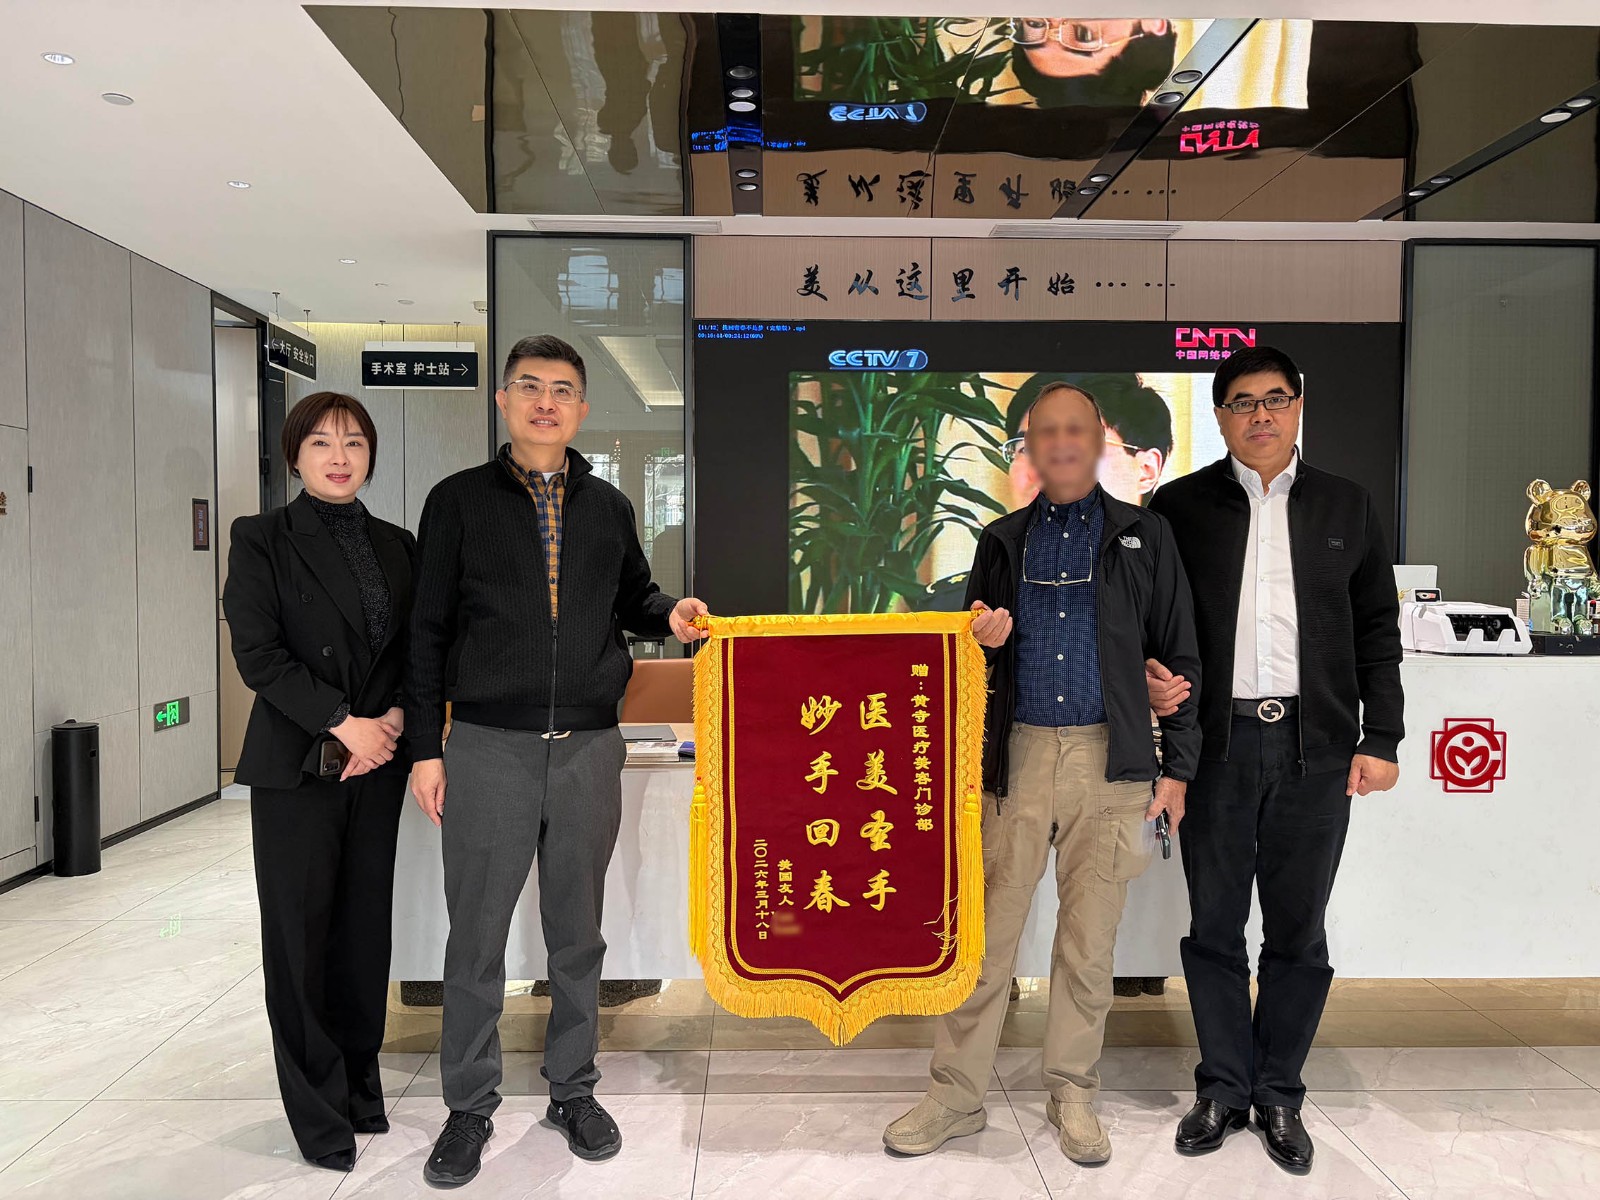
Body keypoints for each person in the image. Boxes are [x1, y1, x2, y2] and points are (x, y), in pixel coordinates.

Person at [407, 334, 709, 1187]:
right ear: (503, 400)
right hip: (487, 747)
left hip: (587, 749)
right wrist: (426, 749)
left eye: (563, 390)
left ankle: (572, 1089)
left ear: (580, 408)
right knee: (476, 936)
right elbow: (426, 632)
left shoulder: (608, 505)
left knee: (577, 932)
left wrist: (670, 612)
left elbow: (633, 597)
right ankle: (469, 1107)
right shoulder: (457, 501)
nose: (546, 402)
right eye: (530, 387)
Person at [883, 381, 1201, 1165]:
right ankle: (955, 1095)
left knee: (1088, 948)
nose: (1059, 442)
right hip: (1017, 760)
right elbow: (966, 668)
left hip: (1112, 763)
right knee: (984, 942)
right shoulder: (1000, 540)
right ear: (1028, 446)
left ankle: (1073, 1093)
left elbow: (1180, 656)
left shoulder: (1146, 535)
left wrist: (1177, 768)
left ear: (1097, 440)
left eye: (1075, 429)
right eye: (1043, 431)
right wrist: (981, 644)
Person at [1147, 346, 1403, 1175]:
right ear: (1220, 416)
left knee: (1298, 931)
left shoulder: (1346, 504)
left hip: (1314, 748)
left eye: (1276, 399)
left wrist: (1382, 737)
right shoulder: (1180, 507)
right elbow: (1154, 621)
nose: (1261, 415)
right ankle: (1223, 1087)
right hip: (1216, 745)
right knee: (1215, 927)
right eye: (1243, 402)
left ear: (1298, 406)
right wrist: (1155, 686)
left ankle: (1280, 1092)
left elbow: (1377, 629)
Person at [224, 392, 415, 1173]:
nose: (340, 457)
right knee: (299, 939)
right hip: (298, 766)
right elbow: (259, 655)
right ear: (294, 454)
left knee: (363, 935)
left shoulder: (398, 544)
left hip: (378, 764)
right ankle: (317, 1112)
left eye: (355, 442)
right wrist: (344, 723)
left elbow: (416, 649)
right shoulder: (261, 537)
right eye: (322, 443)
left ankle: (361, 1087)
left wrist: (392, 720)